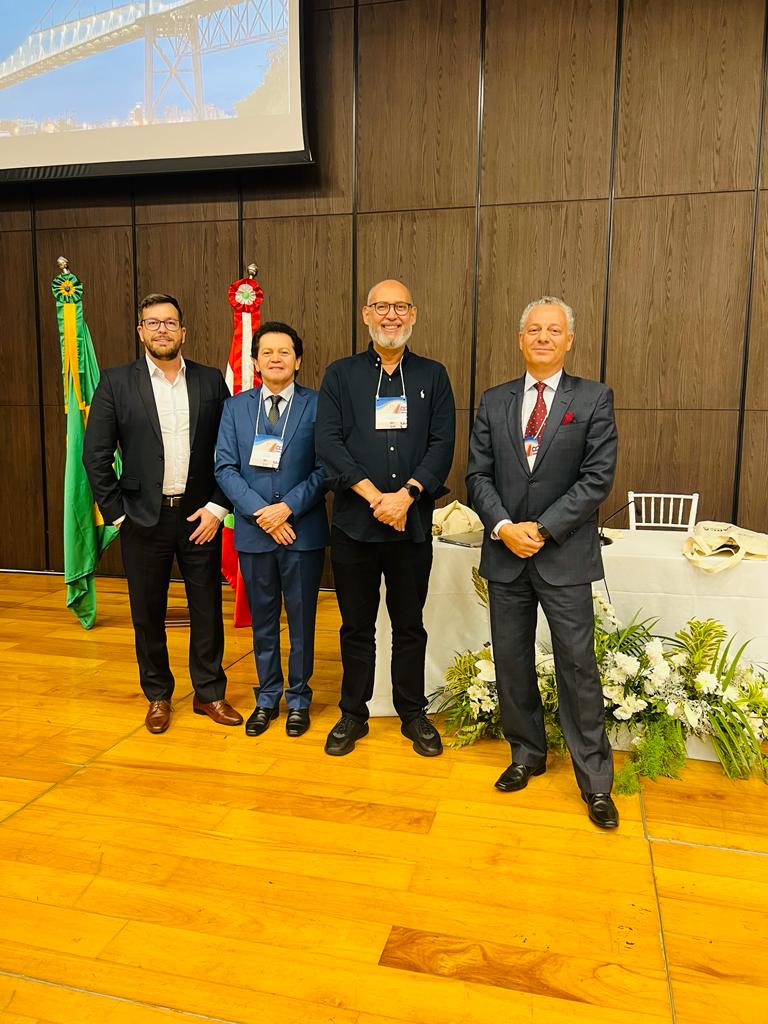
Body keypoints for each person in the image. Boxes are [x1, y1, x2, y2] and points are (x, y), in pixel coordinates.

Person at [466, 296, 619, 829]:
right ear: (520, 338)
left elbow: (597, 479)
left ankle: (595, 781)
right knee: (511, 662)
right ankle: (526, 753)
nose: (544, 338)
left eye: (554, 330)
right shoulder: (494, 400)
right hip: (505, 553)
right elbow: (477, 476)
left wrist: (544, 528)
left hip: (564, 555)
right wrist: (505, 527)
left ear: (569, 340)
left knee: (578, 666)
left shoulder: (594, 398)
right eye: (534, 329)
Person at [83, 293, 242, 734]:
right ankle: (157, 694)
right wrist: (118, 514)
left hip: (200, 517)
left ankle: (209, 693)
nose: (162, 330)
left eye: (170, 322)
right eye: (152, 323)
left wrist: (216, 507)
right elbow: (95, 456)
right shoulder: (116, 382)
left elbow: (227, 451)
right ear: (141, 332)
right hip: (141, 519)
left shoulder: (211, 382)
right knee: (146, 611)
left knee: (207, 607)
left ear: (183, 331)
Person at [316, 279, 455, 757]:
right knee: (356, 625)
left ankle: (412, 712)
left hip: (411, 525)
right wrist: (378, 497)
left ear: (413, 314)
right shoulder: (340, 375)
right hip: (355, 524)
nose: (391, 316)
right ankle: (353, 713)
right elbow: (329, 444)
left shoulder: (433, 375)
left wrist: (407, 496)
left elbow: (442, 444)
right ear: (365, 314)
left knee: (410, 624)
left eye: (400, 307)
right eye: (381, 307)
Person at [215, 321, 329, 738]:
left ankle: (298, 699)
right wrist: (264, 514)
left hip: (302, 533)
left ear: (298, 360)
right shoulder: (235, 407)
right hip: (254, 532)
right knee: (262, 621)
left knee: (301, 621)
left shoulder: (318, 406)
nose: (276, 358)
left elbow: (325, 469)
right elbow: (224, 468)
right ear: (255, 361)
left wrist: (287, 510)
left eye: (285, 352)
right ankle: (267, 697)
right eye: (268, 352)